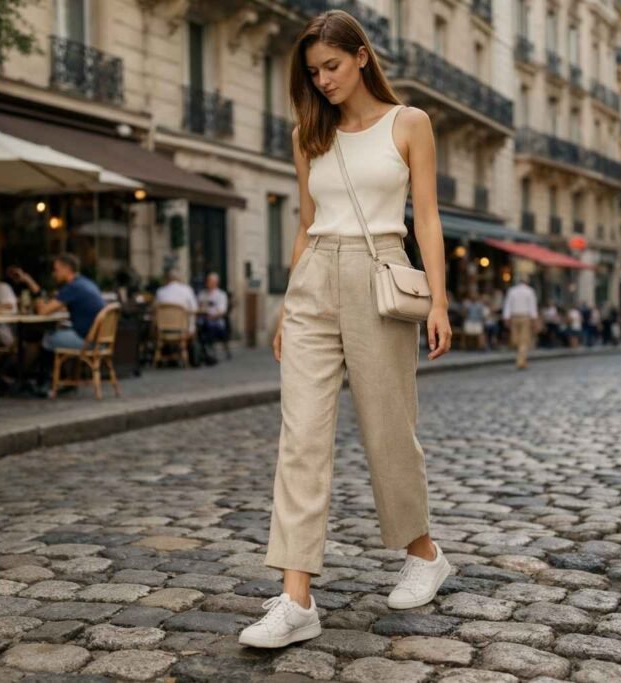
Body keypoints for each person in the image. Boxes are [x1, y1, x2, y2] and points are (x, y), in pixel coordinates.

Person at [239, 10, 453, 649]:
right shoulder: (309, 133)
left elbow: (428, 220)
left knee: (387, 425)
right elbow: (306, 223)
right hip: (313, 283)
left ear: (361, 56)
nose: (323, 80)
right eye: (313, 72)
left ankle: (424, 553)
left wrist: (439, 300)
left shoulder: (408, 124)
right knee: (301, 437)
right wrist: (286, 305)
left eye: (330, 66)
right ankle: (296, 598)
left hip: (380, 272)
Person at [10, 254, 104, 351]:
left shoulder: (73, 287)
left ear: (67, 269)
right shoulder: (85, 282)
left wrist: (30, 283)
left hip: (88, 341)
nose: (53, 274)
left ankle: (43, 366)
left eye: (56, 270)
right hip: (99, 339)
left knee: (42, 337)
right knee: (48, 333)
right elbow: (57, 306)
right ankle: (57, 366)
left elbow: (43, 311)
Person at [503, 276, 538, 369]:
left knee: (517, 340)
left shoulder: (512, 291)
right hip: (525, 317)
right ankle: (521, 359)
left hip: (514, 316)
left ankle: (520, 361)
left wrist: (506, 317)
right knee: (523, 340)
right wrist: (534, 319)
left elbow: (508, 305)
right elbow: (532, 306)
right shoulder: (530, 291)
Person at [197, 272, 229, 357]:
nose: (208, 283)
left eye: (210, 281)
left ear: (216, 283)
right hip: (202, 319)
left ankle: (208, 351)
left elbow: (222, 311)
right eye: (208, 281)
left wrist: (211, 317)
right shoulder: (202, 294)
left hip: (216, 321)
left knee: (208, 326)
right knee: (197, 325)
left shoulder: (221, 295)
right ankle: (199, 350)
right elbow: (198, 307)